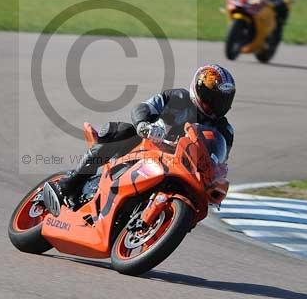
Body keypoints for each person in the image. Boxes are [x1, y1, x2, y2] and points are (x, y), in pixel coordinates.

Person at [45, 64, 236, 212]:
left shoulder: (225, 130)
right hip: (150, 147)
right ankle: (70, 184)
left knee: (197, 203)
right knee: (121, 131)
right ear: (198, 89)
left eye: (220, 100)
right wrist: (144, 125)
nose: (214, 105)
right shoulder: (176, 97)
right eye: (211, 98)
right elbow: (144, 107)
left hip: (183, 166)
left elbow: (219, 160)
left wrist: (215, 179)